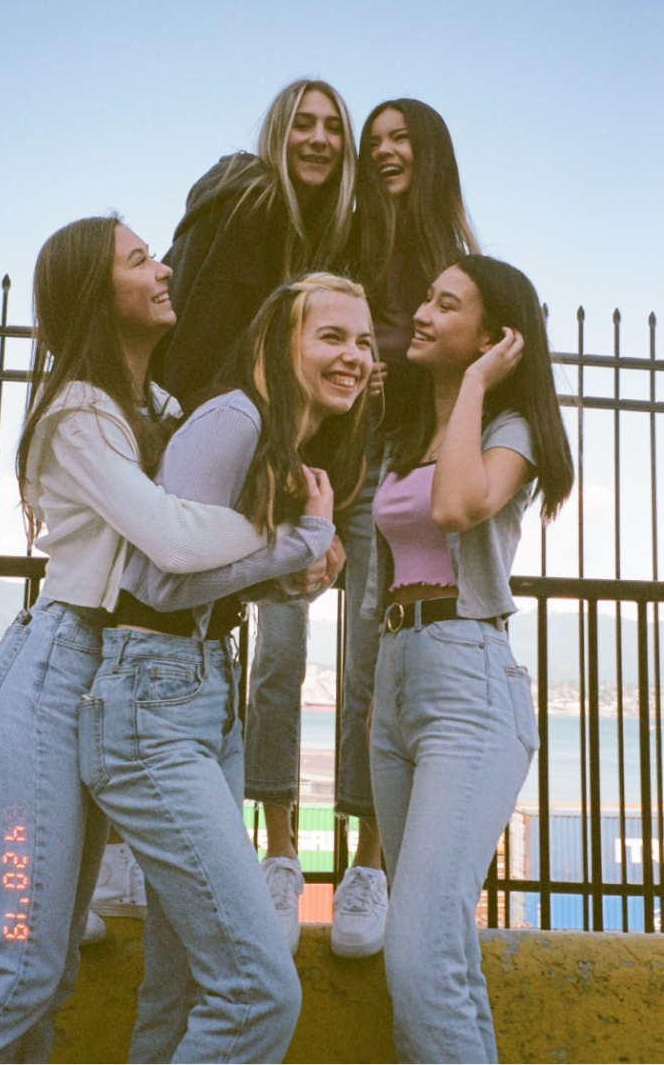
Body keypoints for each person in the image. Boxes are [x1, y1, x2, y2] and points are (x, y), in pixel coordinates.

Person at [0, 215, 287, 1064]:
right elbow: (174, 540)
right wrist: (281, 529)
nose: (164, 271)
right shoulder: (77, 415)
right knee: (21, 964)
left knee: (58, 973)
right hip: (46, 686)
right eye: (139, 259)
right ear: (95, 293)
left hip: (117, 684)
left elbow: (193, 559)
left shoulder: (157, 409)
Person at [78, 272, 373, 1062]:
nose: (356, 356)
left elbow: (212, 577)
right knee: (259, 993)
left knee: (178, 996)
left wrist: (293, 572)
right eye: (333, 336)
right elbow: (160, 577)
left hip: (201, 694)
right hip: (152, 700)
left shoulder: (283, 440)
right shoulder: (234, 418)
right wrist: (299, 545)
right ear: (284, 341)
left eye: (366, 341)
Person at [108, 78, 365, 955]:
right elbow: (215, 318)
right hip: (217, 426)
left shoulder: (323, 231)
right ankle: (116, 850)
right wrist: (209, 424)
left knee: (206, 611)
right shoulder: (256, 199)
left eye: (334, 127)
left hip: (248, 441)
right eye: (305, 122)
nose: (320, 139)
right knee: (164, 596)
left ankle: (129, 851)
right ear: (277, 130)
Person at [365, 256, 574, 1063]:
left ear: (493, 340)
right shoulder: (409, 430)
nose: (421, 312)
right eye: (425, 296)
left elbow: (456, 508)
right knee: (434, 945)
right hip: (397, 674)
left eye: (444, 305)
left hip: (467, 681)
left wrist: (479, 385)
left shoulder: (506, 432)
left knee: (416, 953)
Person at [327, 98, 480, 958]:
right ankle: (293, 855)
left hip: (400, 471)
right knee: (282, 656)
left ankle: (368, 864)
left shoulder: (453, 262)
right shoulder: (347, 245)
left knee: (374, 669)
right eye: (374, 142)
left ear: (430, 155)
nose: (385, 153)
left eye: (401, 141)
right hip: (332, 464)